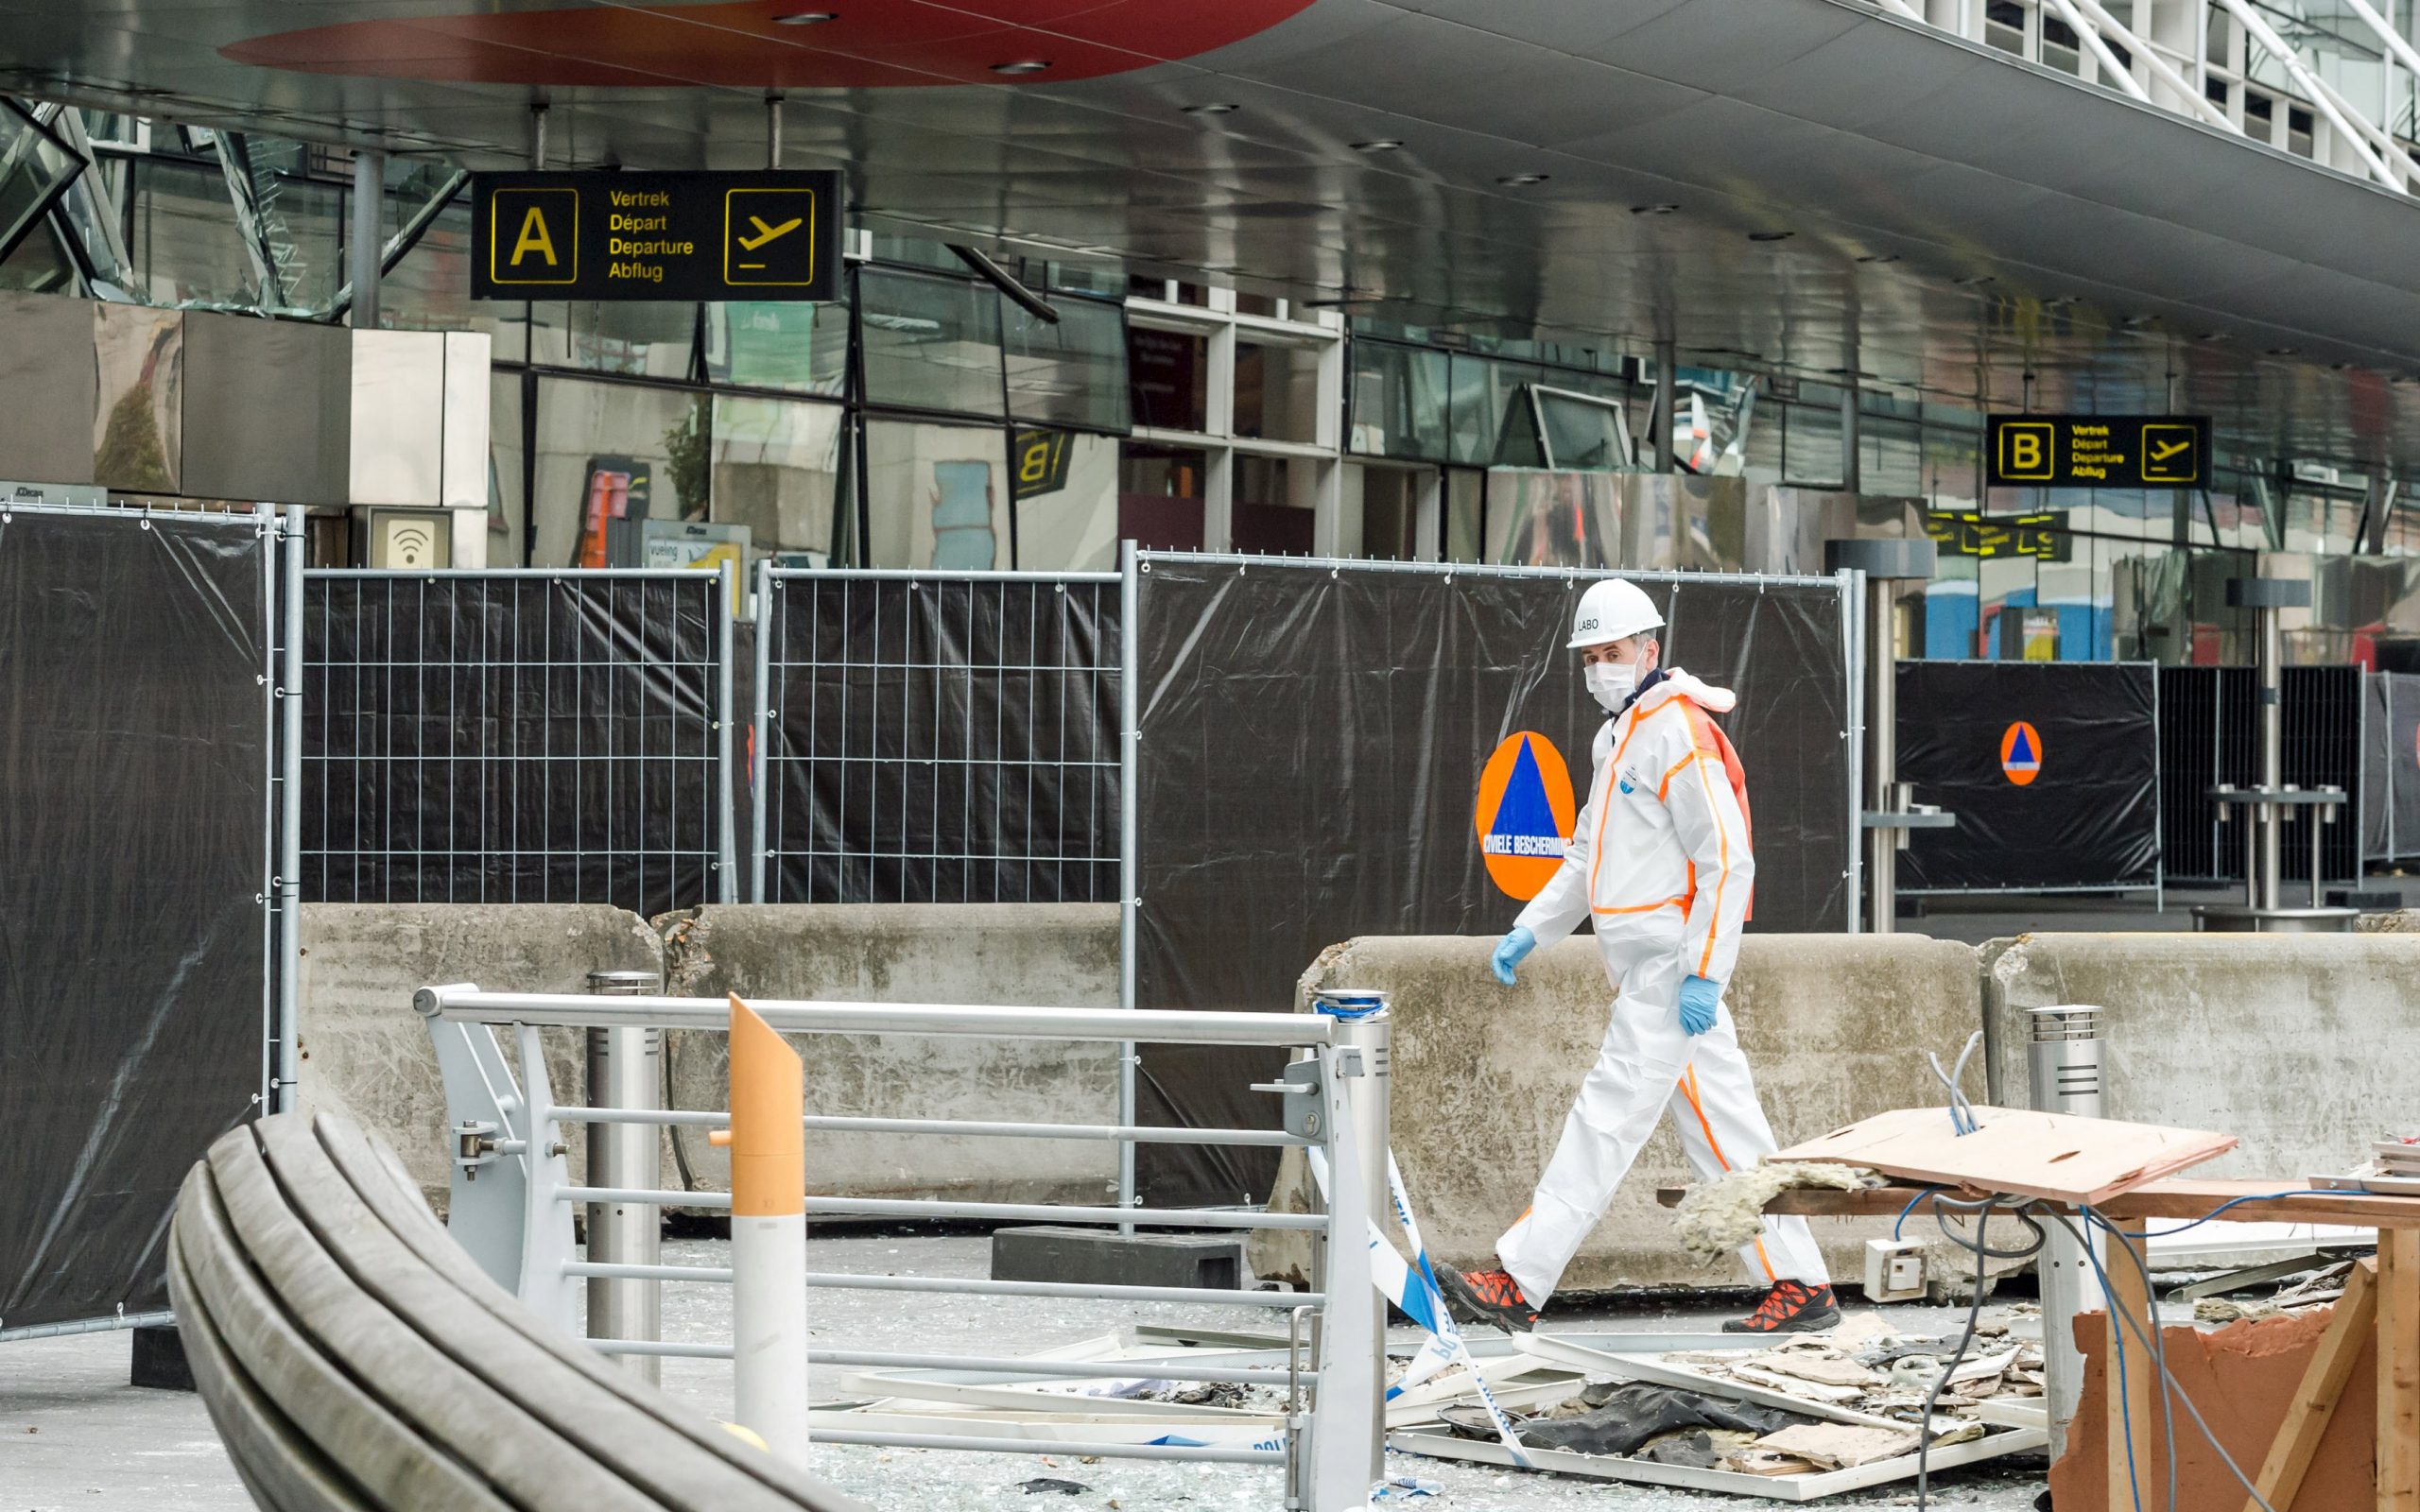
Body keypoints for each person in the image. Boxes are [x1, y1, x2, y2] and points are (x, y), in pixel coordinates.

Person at [1434, 578, 1839, 1335]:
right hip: (1661, 971)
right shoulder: (1622, 733)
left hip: (1668, 972)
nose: (1599, 667)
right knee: (1729, 1136)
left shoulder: (1675, 732)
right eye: (1589, 656)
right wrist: (1534, 929)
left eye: (1611, 653)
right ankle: (1802, 1285)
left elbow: (1728, 860)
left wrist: (1704, 974)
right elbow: (1590, 851)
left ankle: (1519, 1282)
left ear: (1650, 650)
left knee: (1604, 1120)